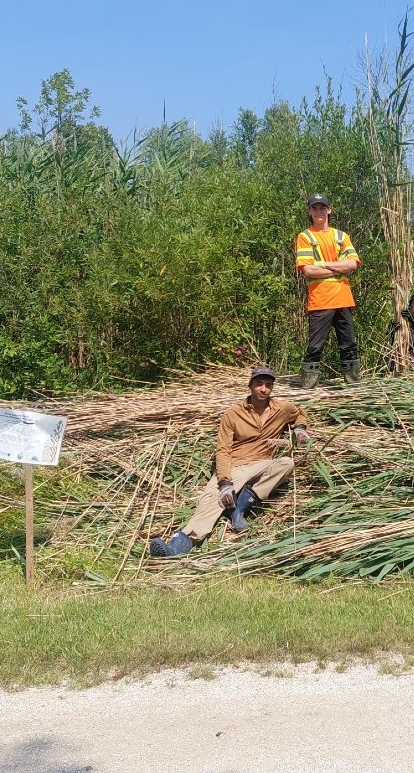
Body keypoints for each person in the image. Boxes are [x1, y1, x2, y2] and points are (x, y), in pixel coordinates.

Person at [149, 367, 310, 557]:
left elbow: (299, 412)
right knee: (211, 502)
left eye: (268, 385)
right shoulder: (233, 414)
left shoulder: (281, 408)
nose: (263, 389)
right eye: (259, 384)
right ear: (250, 386)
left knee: (286, 463)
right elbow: (223, 450)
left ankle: (239, 510)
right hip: (236, 466)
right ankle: (179, 545)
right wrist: (225, 482)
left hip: (262, 464)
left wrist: (299, 428)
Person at [292, 194, 361, 388]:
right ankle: (308, 385)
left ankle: (353, 385)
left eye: (323, 208)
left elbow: (352, 264)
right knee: (315, 346)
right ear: (309, 212)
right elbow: (308, 269)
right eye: (315, 208)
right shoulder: (305, 236)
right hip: (320, 299)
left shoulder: (341, 235)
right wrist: (338, 265)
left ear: (329, 210)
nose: (319, 211)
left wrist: (322, 264)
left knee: (349, 344)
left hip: (343, 298)